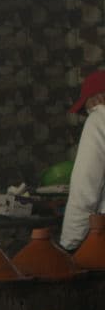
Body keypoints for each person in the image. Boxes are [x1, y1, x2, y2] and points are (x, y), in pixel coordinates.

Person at [60, 71, 105, 250]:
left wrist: (69, 245)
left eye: (87, 107)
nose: (88, 112)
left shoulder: (99, 119)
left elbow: (85, 190)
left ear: (98, 98)